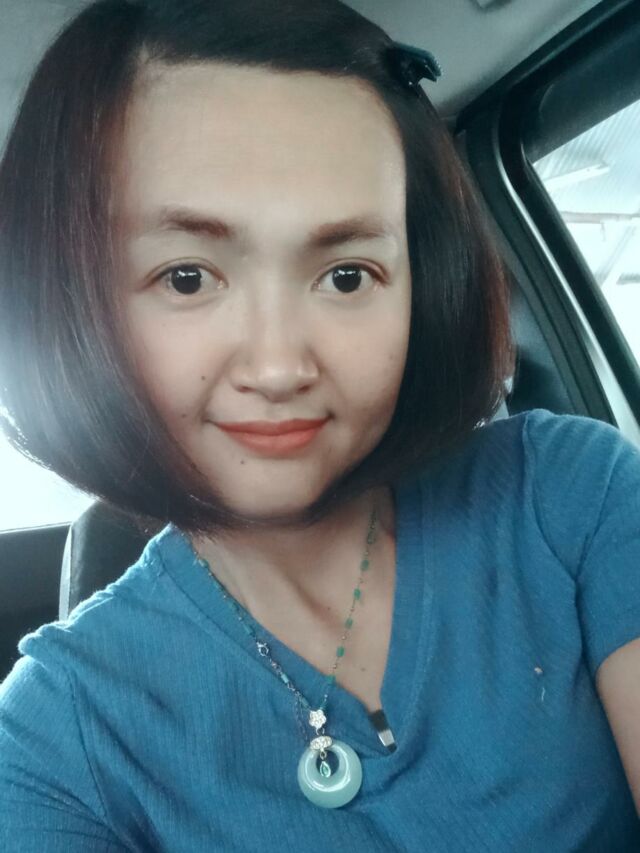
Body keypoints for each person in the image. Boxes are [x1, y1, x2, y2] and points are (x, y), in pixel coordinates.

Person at [0, 0, 639, 849]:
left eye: (346, 275)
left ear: (423, 288)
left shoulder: (570, 495)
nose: (278, 368)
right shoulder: (54, 736)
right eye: (187, 276)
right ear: (74, 304)